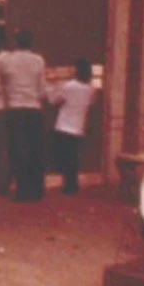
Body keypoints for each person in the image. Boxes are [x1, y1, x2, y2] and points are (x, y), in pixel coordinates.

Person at [0, 29, 48, 202]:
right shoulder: (38, 61)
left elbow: (3, 83)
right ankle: (36, 189)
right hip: (33, 108)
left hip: (14, 108)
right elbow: (42, 89)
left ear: (16, 41)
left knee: (18, 150)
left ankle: (22, 189)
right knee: (35, 150)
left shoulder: (7, 61)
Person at [46, 59, 95, 196]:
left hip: (64, 126)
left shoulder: (69, 86)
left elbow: (53, 100)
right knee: (73, 157)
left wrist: (51, 84)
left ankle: (68, 184)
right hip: (79, 126)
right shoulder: (90, 89)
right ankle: (72, 183)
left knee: (64, 157)